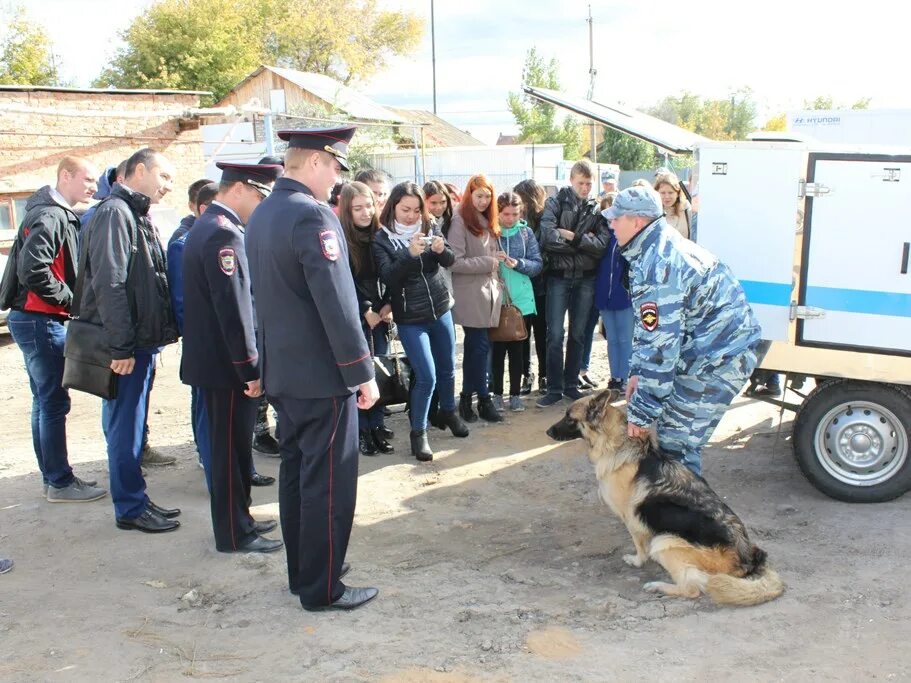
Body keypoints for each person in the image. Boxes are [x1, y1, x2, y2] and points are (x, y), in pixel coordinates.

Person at [246, 126, 380, 611]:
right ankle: (322, 588)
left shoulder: (264, 213)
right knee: (328, 484)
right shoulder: (311, 215)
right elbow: (338, 302)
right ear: (317, 163)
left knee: (298, 474)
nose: (336, 182)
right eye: (335, 170)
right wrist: (361, 371)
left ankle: (305, 572)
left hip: (286, 371)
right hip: (322, 375)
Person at [606, 186, 761, 476]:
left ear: (637, 221)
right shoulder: (652, 248)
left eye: (617, 218)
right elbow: (649, 328)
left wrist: (640, 414)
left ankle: (686, 517)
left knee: (677, 445)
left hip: (719, 358)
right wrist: (638, 371)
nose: (611, 224)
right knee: (671, 436)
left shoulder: (659, 265)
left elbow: (661, 348)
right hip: (704, 352)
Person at [74, 147, 181, 533]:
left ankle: (136, 497)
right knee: (125, 426)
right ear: (138, 170)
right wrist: (120, 348)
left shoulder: (131, 212)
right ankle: (131, 507)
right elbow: (110, 284)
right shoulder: (114, 214)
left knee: (129, 425)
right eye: (164, 177)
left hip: (138, 342)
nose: (169, 186)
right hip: (126, 346)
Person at [181, 161, 284, 554]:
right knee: (227, 453)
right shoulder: (223, 235)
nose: (260, 205)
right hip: (226, 368)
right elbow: (235, 310)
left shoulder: (215, 228)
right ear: (239, 189)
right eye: (259, 196)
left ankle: (242, 517)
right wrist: (249, 368)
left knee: (236, 449)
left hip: (219, 365)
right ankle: (234, 533)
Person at [0, 156, 108, 503]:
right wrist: (70, 300)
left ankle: (53, 478)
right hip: (40, 319)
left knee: (44, 402)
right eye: (88, 180)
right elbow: (34, 269)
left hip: (33, 319)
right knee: (53, 403)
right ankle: (60, 482)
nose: (93, 187)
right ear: (65, 177)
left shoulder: (53, 212)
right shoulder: (50, 214)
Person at [373, 182, 469, 460]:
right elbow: (388, 276)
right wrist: (409, 254)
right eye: (406, 210)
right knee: (426, 376)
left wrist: (440, 249)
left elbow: (449, 259)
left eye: (417, 209)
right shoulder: (382, 238)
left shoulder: (430, 224)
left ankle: (448, 412)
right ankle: (419, 432)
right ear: (393, 207)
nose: (412, 216)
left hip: (440, 307)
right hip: (410, 317)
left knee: (449, 368)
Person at [536, 160, 610, 408]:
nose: (586, 188)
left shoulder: (596, 209)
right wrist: (582, 244)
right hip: (558, 277)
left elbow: (600, 247)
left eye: (589, 184)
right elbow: (547, 239)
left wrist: (572, 236)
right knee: (555, 335)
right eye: (582, 183)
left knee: (579, 334)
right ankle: (554, 388)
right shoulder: (554, 203)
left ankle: (571, 385)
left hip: (586, 279)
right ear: (571, 180)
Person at [338, 181, 395, 456]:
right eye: (357, 208)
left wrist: (387, 305)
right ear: (346, 211)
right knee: (361, 375)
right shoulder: (340, 238)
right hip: (356, 316)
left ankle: (377, 426)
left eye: (369, 206)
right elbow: (343, 281)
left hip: (380, 316)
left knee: (379, 372)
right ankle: (360, 430)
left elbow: (390, 274)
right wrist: (366, 309)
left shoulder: (380, 236)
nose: (365, 213)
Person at [168, 181, 218, 479]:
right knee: (206, 407)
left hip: (225, 343)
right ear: (204, 209)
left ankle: (240, 468)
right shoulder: (183, 244)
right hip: (203, 343)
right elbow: (181, 301)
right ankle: (209, 461)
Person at [448, 174, 504, 424]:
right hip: (470, 293)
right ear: (469, 195)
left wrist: (498, 259)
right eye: (479, 195)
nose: (483, 200)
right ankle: (482, 399)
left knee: (476, 350)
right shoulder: (460, 220)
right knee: (479, 348)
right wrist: (489, 262)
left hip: (488, 292)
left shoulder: (487, 219)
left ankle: (468, 398)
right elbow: (454, 261)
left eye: (487, 196)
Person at [490, 192, 542, 412]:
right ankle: (496, 394)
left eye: (515, 213)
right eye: (505, 214)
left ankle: (515, 395)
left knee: (519, 350)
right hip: (495, 300)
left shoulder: (526, 232)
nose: (510, 218)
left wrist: (518, 263)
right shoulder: (490, 233)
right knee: (497, 351)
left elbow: (537, 264)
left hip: (522, 302)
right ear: (497, 212)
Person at [594, 192, 634, 391]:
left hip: (624, 296)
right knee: (612, 339)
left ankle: (626, 378)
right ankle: (615, 377)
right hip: (604, 296)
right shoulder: (602, 237)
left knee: (626, 338)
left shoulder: (628, 236)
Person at [513, 179, 548, 395]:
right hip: (520, 285)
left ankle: (544, 374)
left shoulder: (545, 221)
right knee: (522, 333)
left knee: (542, 331)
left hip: (541, 284)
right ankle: (527, 373)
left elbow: (545, 253)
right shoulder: (515, 220)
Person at [654, 172, 691, 239]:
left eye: (670, 193)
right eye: (663, 193)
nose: (667, 196)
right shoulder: (652, 213)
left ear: (677, 193)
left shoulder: (687, 209)